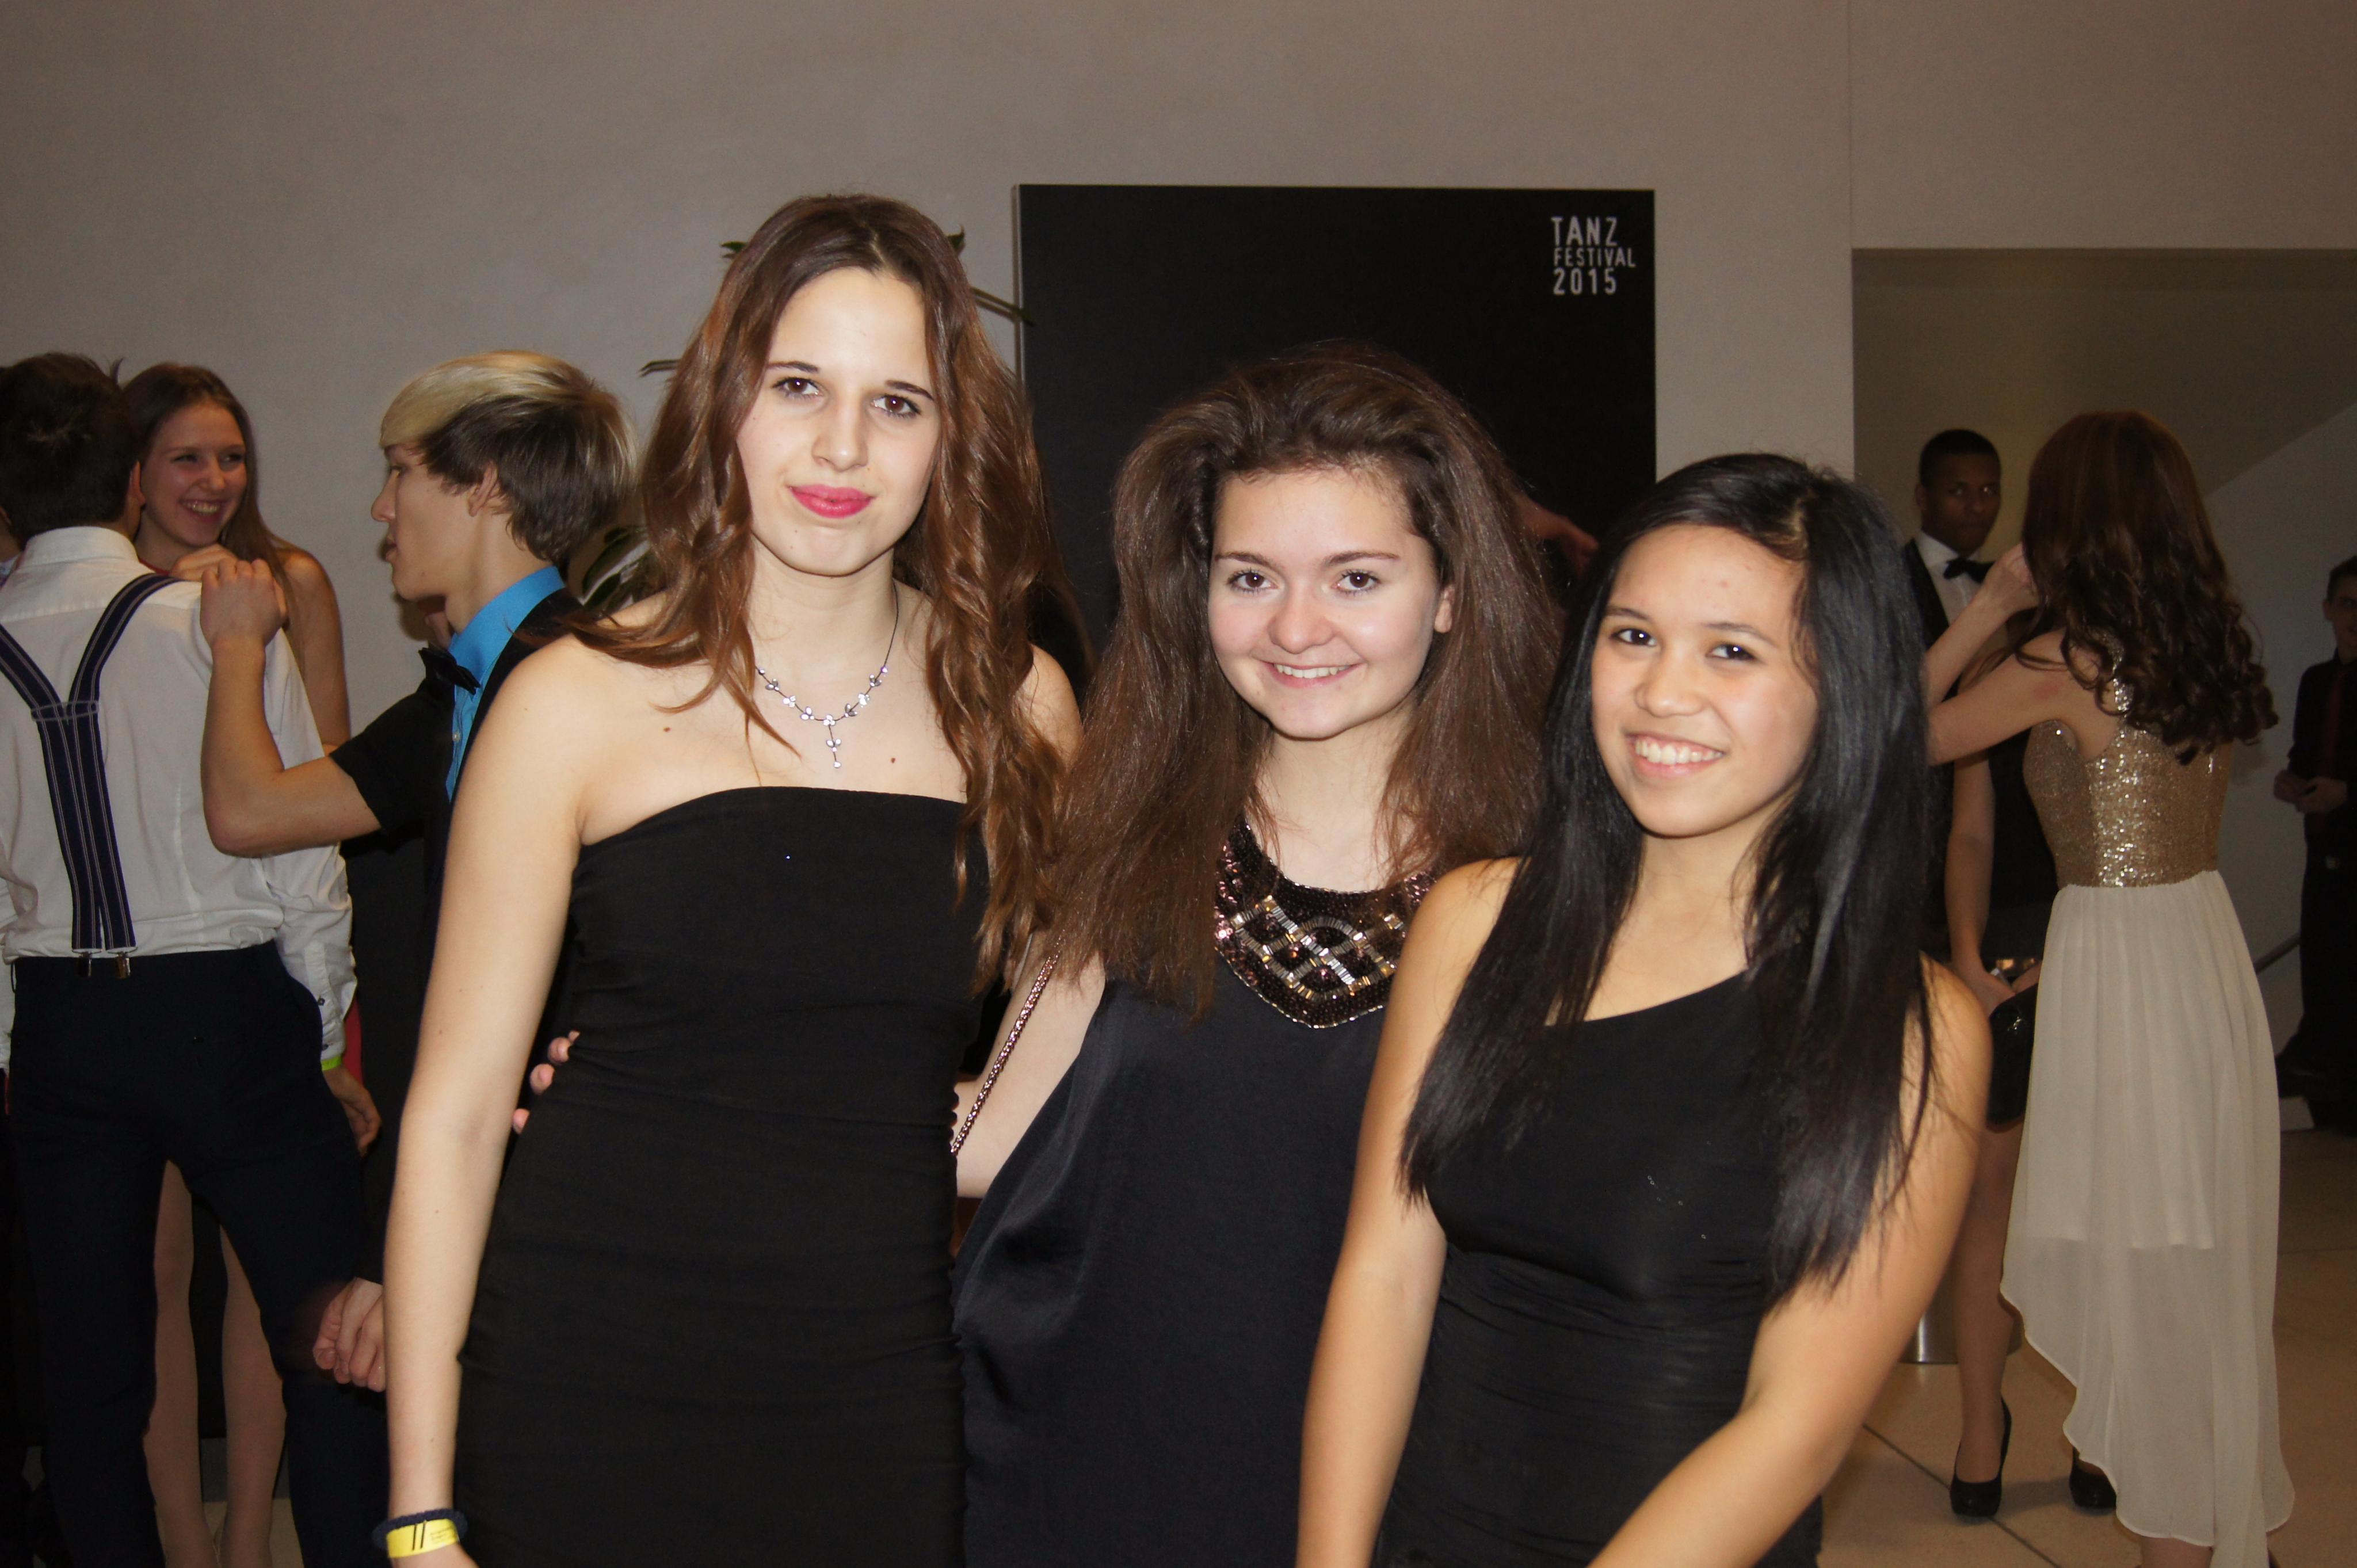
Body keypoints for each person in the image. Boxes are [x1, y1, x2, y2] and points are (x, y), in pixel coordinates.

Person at [383, 193, 1079, 1565]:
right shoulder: (574, 700)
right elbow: (453, 1120)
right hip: (584, 1365)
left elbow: (1090, 1016)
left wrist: (947, 1114)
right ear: (724, 405)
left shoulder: (1022, 707)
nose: (841, 446)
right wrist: (417, 1511)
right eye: (799, 386)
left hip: (876, 1381)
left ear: (951, 439)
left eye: (896, 403)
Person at [1299, 454, 1986, 1567]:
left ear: (1845, 688)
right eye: (1632, 636)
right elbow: (1383, 1275)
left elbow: (1795, 1429)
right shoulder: (1474, 922)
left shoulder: (1906, 1028)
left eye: (1732, 651)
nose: (1662, 693)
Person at [945, 345, 1557, 1568]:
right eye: (1249, 577)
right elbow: (998, 1132)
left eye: (1355, 577)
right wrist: (709, 1093)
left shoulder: (1536, 891)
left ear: (1451, 592)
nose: (1295, 627)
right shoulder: (1128, 845)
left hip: (1400, 1483)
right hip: (1094, 1459)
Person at [0, 353, 384, 1567]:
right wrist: (323, 1039)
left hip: (60, 1022)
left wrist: (15, 1046)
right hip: (228, 1014)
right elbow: (300, 854)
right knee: (328, 1339)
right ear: (130, 479)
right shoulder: (217, 624)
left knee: (90, 1379)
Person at [196, 351, 635, 1395]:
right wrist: (237, 650)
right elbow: (249, 814)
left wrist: (419, 1256)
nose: (381, 507)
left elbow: (557, 993)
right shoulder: (462, 692)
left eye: (401, 471)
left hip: (562, 1179)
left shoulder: (575, 682)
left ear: (485, 484)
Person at [1926, 411, 2290, 1568]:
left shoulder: (2068, 659)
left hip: (2124, 967)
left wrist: (1983, 609)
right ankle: (2204, 1523)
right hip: (2192, 949)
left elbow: (1888, 737)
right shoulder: (2198, 639)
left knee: (2148, 1263)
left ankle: (2176, 1539)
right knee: (2191, 1257)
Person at [122, 361, 359, 1568]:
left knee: (270, 1276)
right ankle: (182, 1537)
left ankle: (251, 1532)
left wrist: (326, 1002)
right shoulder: (99, 599)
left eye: (231, 457)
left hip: (271, 951)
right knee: (152, 1272)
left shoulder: (289, 582)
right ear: (132, 472)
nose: (214, 481)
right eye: (187, 458)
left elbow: (326, 783)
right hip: (135, 960)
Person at [1940, 620, 2061, 1520]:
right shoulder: (2000, 665)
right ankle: (1983, 1421)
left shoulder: (2122, 657)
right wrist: (1969, 957)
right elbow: (1971, 835)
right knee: (1988, 1187)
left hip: (2102, 941)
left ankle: (2104, 1424)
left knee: (2098, 1198)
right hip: (2005, 948)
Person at [2274, 554, 2357, 1131]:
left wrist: (2346, 794)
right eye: (2347, 603)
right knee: (2323, 979)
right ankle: (2328, 1106)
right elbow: (2304, 756)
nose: (2355, 617)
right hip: (2322, 859)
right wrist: (2291, 782)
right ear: (2328, 609)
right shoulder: (2315, 682)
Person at [1901, 428, 2001, 644]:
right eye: (1958, 491)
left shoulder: (2007, 581)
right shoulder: (1892, 580)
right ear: (1923, 498)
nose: (1977, 506)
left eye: (1989, 491)